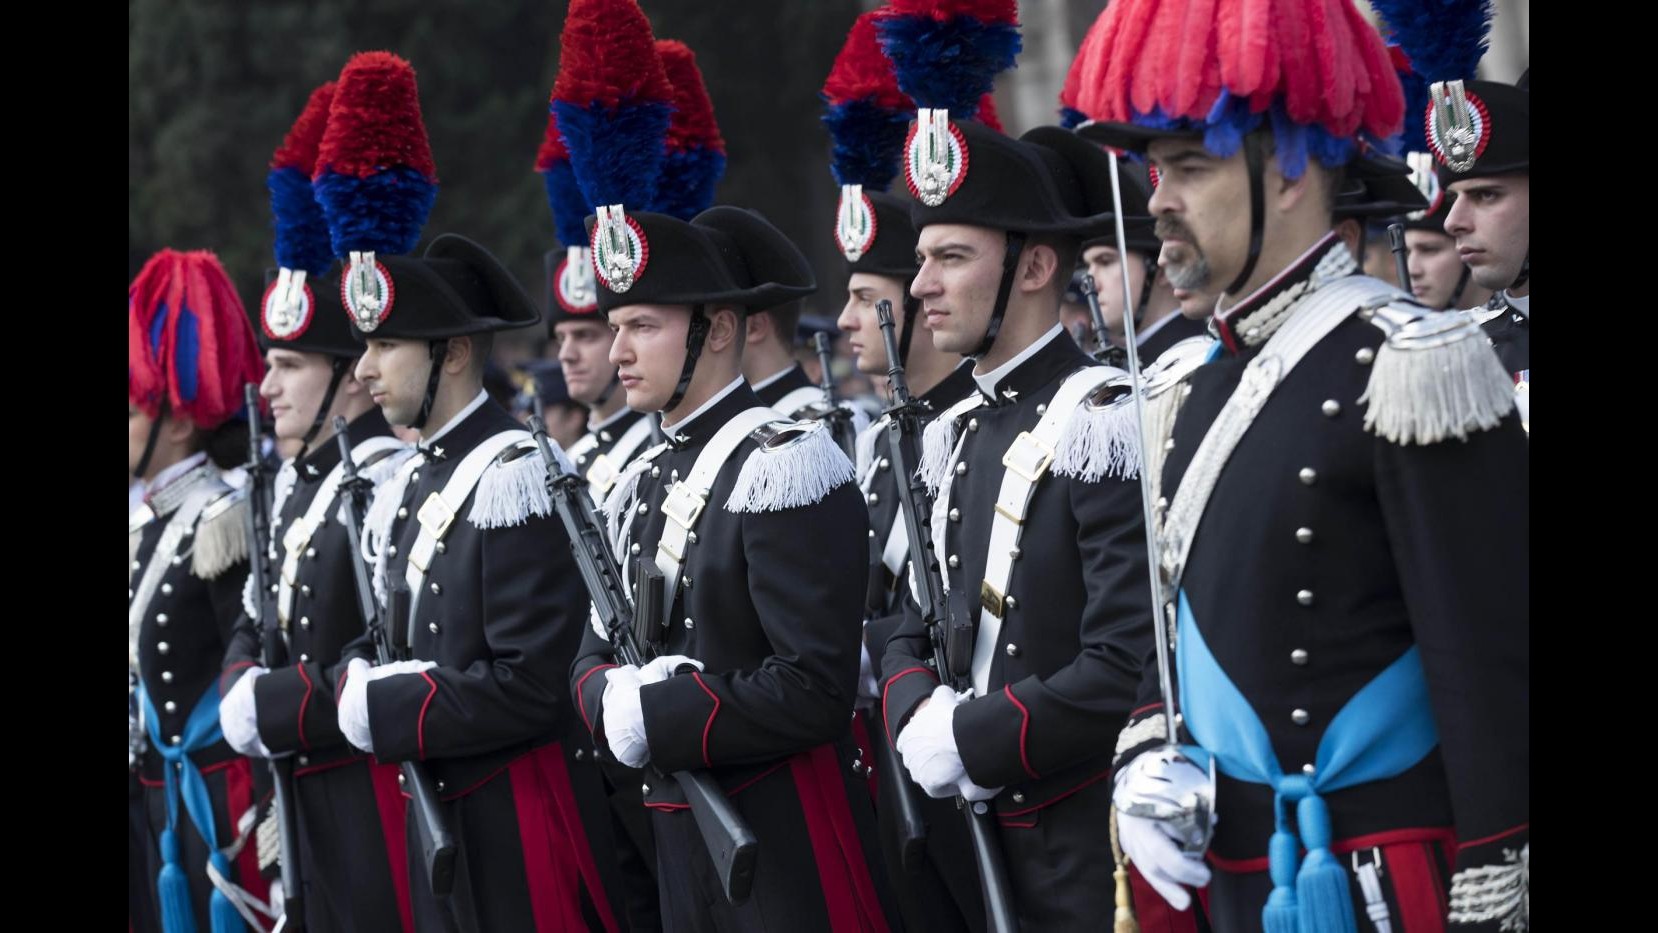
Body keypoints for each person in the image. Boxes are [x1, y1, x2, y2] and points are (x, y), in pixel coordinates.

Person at [1073, 0, 1529, 928]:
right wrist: (1145, 755)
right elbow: (1166, 632)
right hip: (1232, 875)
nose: (1157, 199)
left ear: (1284, 173)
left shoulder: (1409, 363)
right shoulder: (1183, 387)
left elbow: (1494, 676)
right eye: (1157, 170)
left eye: (1189, 167)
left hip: (1381, 887)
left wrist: (1498, 886)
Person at [316, 49, 623, 932]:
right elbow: (386, 636)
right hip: (441, 812)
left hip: (515, 818)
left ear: (451, 351)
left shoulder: (515, 474)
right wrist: (354, 678)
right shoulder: (419, 473)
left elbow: (532, 685)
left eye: (386, 349)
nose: (365, 369)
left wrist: (386, 701)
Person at [569, 203, 894, 930]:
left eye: (643, 326)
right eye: (616, 327)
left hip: (783, 846)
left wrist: (660, 709)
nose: (619, 349)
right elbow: (588, 656)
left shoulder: (786, 464)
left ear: (716, 330)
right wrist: (612, 696)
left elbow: (816, 686)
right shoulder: (638, 480)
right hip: (680, 846)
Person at [878, 112, 1157, 928]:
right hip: (976, 844)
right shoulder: (954, 430)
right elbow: (909, 625)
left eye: (951, 258)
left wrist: (976, 736)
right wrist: (915, 706)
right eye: (923, 258)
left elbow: (1126, 664)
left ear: (1034, 266)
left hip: (1086, 854)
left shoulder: (1104, 419)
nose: (921, 283)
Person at [217, 78, 417, 932]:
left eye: (290, 368)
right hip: (298, 784)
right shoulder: (298, 488)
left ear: (347, 372)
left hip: (370, 791)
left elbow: (388, 646)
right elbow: (256, 615)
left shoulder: (387, 481)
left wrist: (273, 703)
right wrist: (239, 684)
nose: (267, 387)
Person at [129, 247, 268, 931]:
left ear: (179, 419)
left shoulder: (221, 520)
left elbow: (251, 661)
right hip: (164, 790)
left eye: (132, 411)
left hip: (222, 790)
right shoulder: (147, 523)